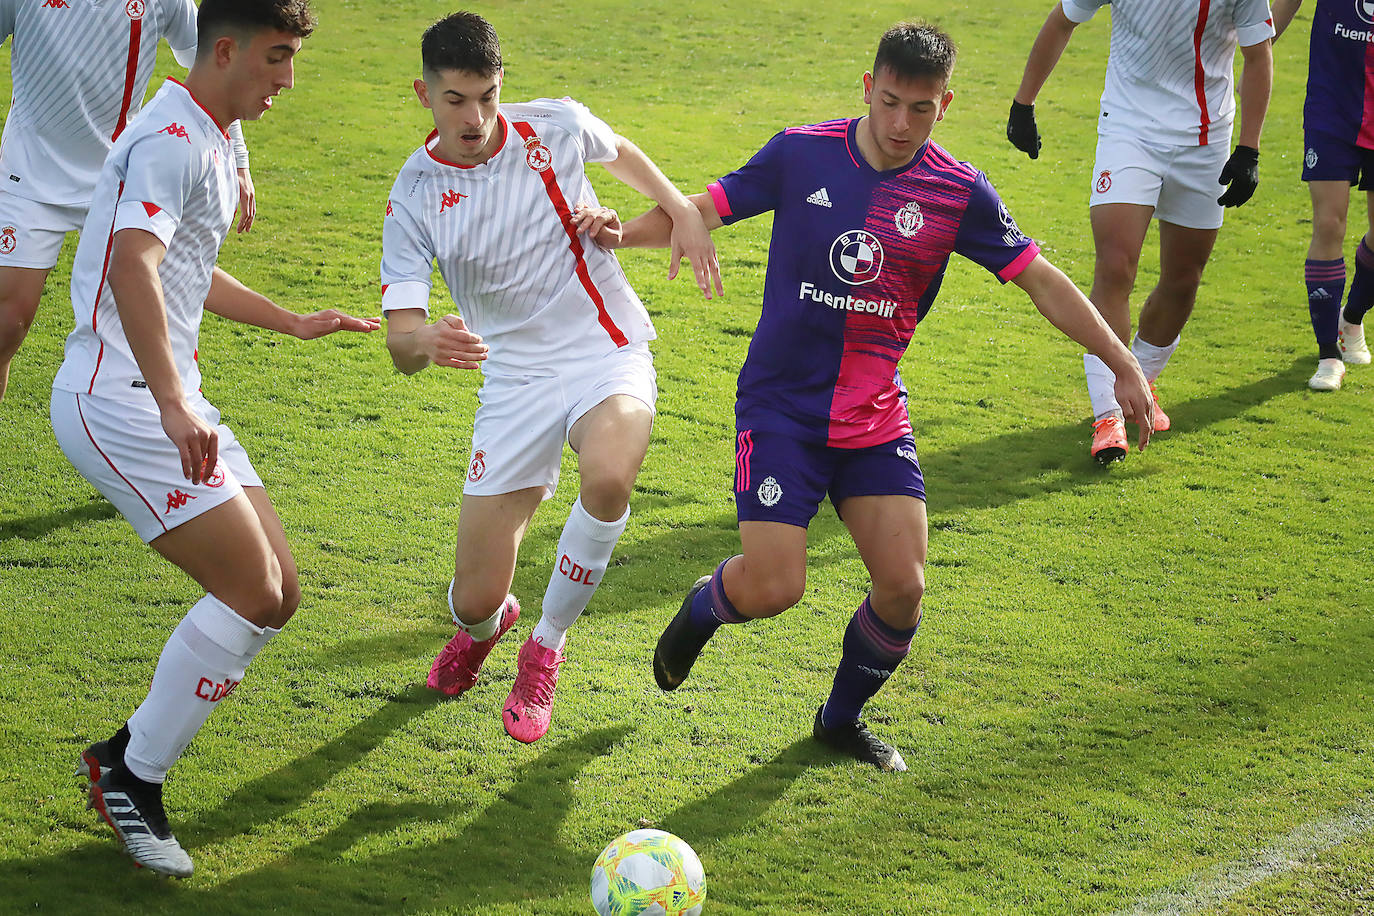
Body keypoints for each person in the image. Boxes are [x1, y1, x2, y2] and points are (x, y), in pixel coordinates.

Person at [602, 21, 1153, 771]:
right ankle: (705, 606)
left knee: (903, 588)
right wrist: (615, 235)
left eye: (919, 109)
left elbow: (1043, 281)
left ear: (944, 104)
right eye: (889, 102)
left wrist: (1121, 361)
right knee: (775, 585)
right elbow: (700, 207)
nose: (900, 124)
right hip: (781, 410)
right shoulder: (802, 152)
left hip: (872, 416)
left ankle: (838, 720)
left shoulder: (959, 192)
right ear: (868, 87)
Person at [52, 0, 377, 876]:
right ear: (224, 48)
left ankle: (129, 757)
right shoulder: (170, 138)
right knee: (249, 588)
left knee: (278, 596)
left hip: (166, 395)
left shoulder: (208, 129)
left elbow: (186, 264)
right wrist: (170, 402)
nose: (287, 80)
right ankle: (131, 773)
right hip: (119, 401)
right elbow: (132, 263)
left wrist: (292, 321)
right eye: (276, 59)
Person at [381, 12, 718, 745]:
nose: (475, 118)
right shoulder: (413, 195)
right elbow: (399, 341)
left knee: (607, 478)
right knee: (473, 597)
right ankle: (490, 626)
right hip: (512, 382)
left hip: (604, 349)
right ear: (424, 94)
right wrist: (423, 342)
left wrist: (682, 211)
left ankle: (546, 645)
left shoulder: (552, 127)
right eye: (456, 100)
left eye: (488, 96)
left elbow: (620, 150)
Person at [1007, 0, 1274, 460]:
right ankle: (1108, 414)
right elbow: (1062, 20)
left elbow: (1258, 54)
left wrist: (1249, 149)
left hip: (1205, 140)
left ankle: (1141, 380)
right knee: (1115, 265)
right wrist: (1023, 104)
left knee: (1183, 279)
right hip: (1129, 130)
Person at [0, 0, 258, 401]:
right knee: (8, 324)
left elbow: (213, 60)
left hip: (118, 175)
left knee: (151, 307)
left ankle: (154, 421)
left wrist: (237, 156)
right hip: (30, 171)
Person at [1271, 0, 1374, 389]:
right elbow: (1275, 18)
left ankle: (1352, 317)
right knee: (1329, 223)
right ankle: (1328, 355)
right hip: (1332, 106)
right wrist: (1256, 44)